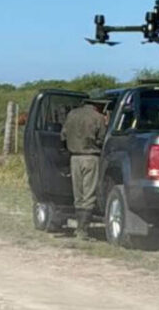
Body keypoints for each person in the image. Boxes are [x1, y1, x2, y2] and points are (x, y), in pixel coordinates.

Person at [60, 99, 108, 240]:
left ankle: (79, 228)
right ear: (97, 105)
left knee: (78, 195)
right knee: (88, 195)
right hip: (91, 158)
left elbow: (63, 135)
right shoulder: (98, 117)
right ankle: (83, 230)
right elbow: (102, 139)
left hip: (74, 157)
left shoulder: (72, 114)